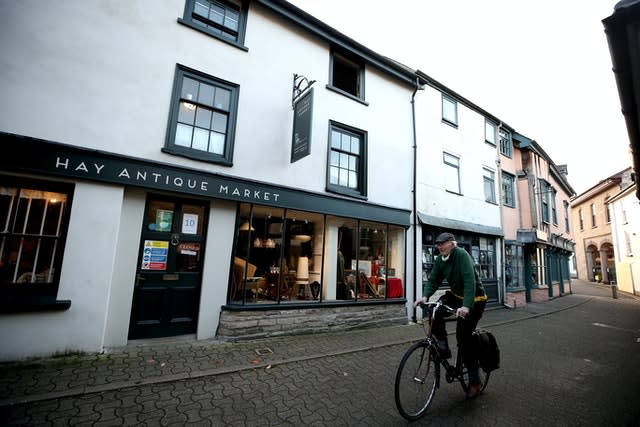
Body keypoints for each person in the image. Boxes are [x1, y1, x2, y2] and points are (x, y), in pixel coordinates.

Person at [413, 232, 488, 399]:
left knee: (463, 338)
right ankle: (443, 347)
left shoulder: (461, 255)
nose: (439, 247)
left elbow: (469, 281)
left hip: (475, 299)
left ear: (452, 244)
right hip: (457, 296)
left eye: (443, 244)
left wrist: (466, 306)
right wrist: (425, 297)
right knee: (435, 309)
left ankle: (475, 381)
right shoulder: (440, 260)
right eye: (438, 244)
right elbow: (434, 280)